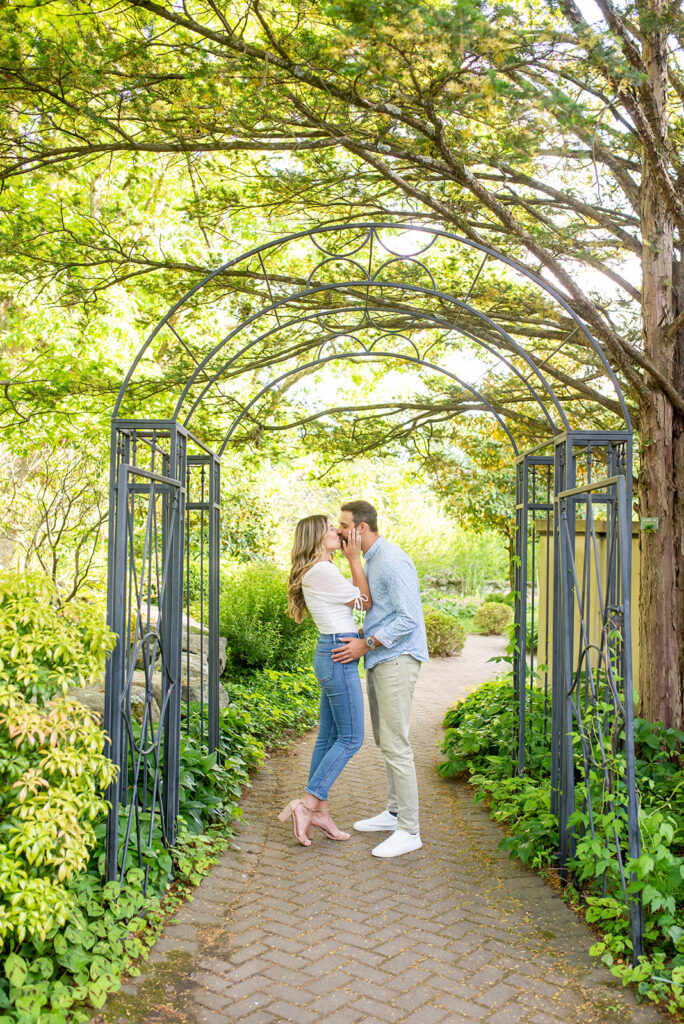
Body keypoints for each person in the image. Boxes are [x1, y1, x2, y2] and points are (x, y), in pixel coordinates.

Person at [332, 500, 428, 858]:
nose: (339, 531)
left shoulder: (391, 561)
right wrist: (362, 633)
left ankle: (410, 830)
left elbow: (408, 620)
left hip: (397, 659)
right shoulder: (371, 560)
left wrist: (366, 643)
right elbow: (381, 611)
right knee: (387, 742)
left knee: (396, 744)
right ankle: (393, 814)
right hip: (380, 657)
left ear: (361, 528)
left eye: (343, 525)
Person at [279, 514, 371, 846]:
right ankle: (306, 805)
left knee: (328, 737)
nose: (337, 531)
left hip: (333, 650)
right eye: (331, 527)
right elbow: (365, 601)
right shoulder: (322, 570)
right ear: (318, 537)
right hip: (338, 654)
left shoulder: (319, 571)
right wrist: (354, 558)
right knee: (351, 738)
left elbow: (348, 609)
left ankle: (320, 812)